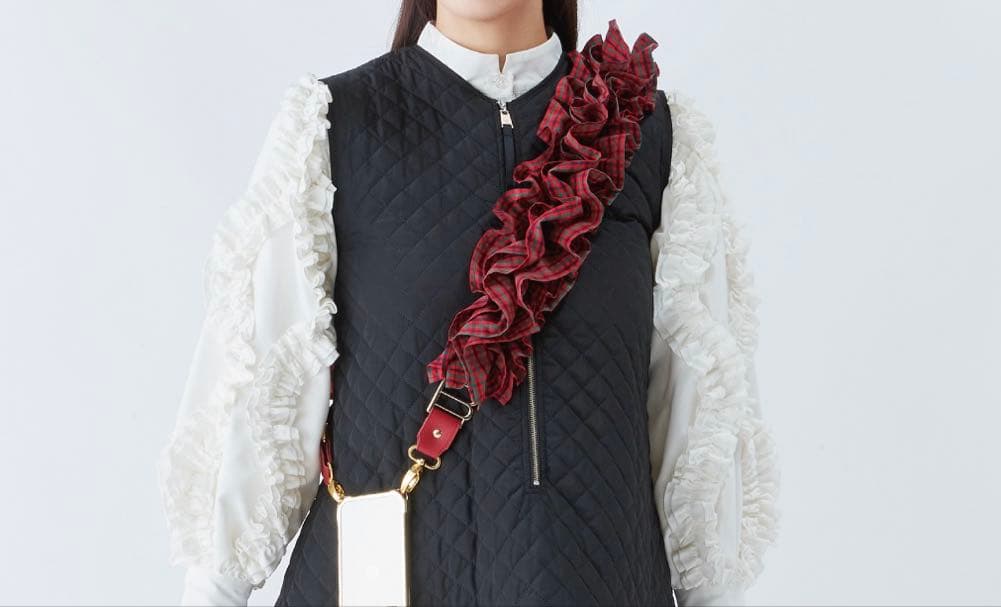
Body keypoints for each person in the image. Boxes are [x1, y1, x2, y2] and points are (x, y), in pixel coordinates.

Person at [158, 0, 778, 605]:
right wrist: (214, 588)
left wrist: (716, 590)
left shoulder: (646, 136)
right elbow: (262, 391)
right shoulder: (333, 126)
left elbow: (700, 414)